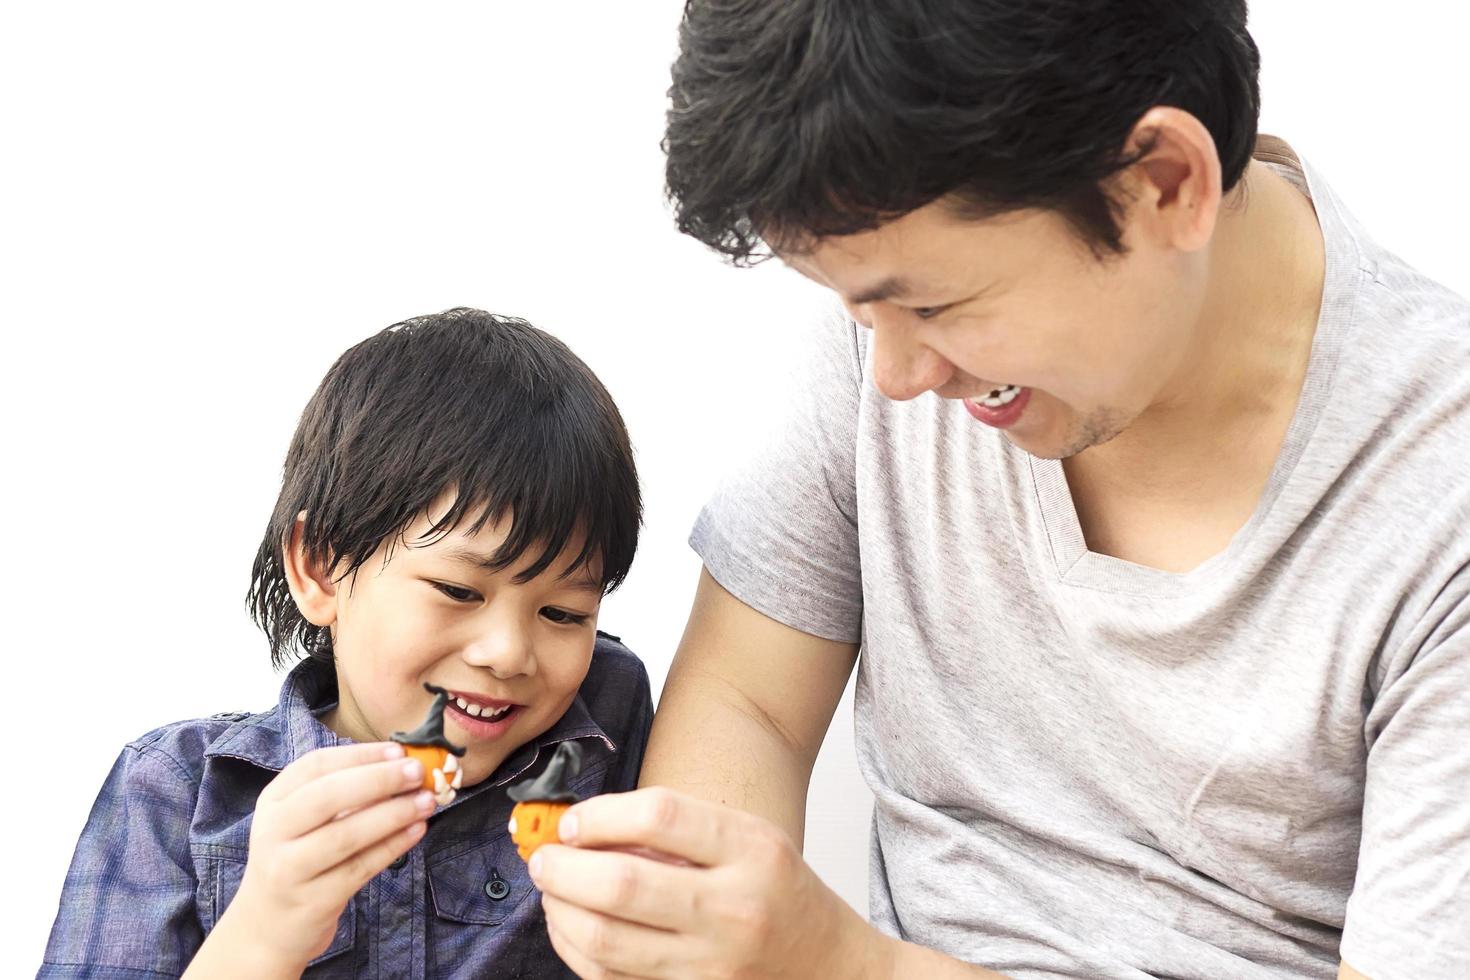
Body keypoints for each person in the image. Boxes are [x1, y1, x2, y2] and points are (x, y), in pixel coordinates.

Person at [528, 2, 1470, 978]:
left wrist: (847, 966)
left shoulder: (1439, 489)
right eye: (859, 307)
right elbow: (748, 696)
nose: (894, 373)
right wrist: (680, 923)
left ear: (1165, 183)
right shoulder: (902, 297)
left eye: (937, 307)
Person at [40, 308, 650, 978]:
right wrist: (263, 931)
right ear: (320, 569)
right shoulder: (176, 792)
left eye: (563, 613)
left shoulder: (604, 727)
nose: (508, 652)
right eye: (458, 591)